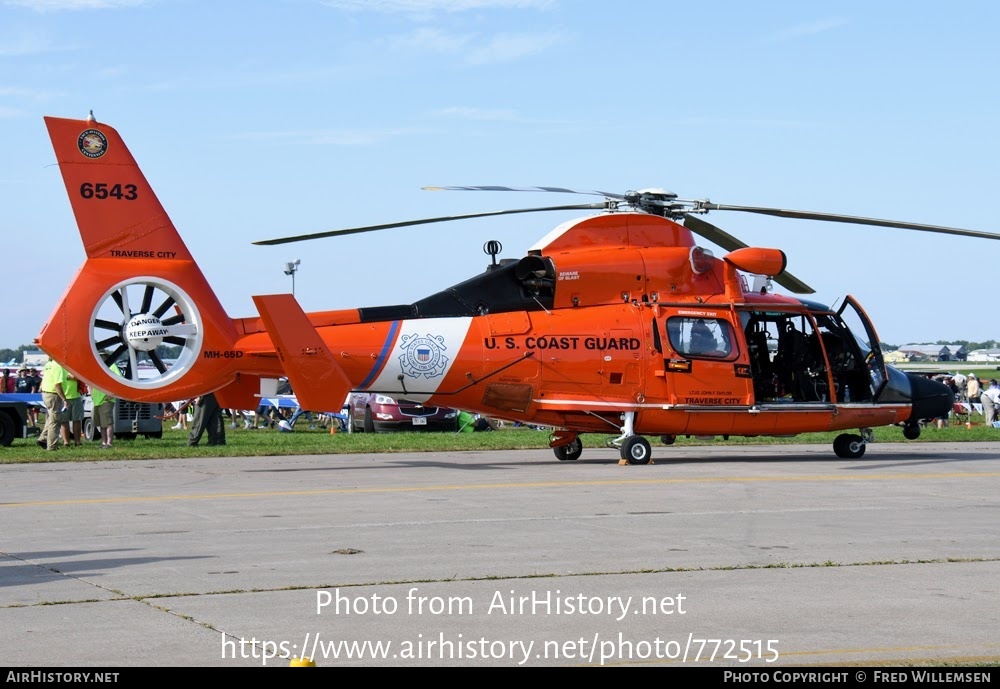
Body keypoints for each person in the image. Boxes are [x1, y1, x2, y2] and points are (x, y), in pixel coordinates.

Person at [38, 359, 69, 451]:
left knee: (51, 418)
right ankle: (52, 446)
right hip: (53, 394)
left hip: (46, 393)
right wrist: (64, 399)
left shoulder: (48, 364)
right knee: (55, 420)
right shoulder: (58, 367)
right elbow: (57, 385)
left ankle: (43, 438)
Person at [91, 361, 122, 449]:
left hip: (106, 400)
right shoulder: (95, 366)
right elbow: (89, 380)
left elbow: (119, 379)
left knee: (108, 423)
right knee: (101, 423)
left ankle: (109, 443)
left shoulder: (112, 365)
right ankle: (104, 442)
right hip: (97, 400)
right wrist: (92, 393)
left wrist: (112, 394)